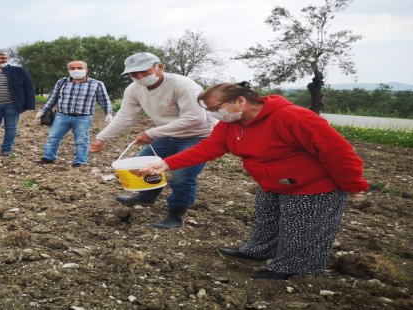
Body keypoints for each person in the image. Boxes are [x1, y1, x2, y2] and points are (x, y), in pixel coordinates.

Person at [136, 81, 369, 280]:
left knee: (302, 229)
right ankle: (258, 250)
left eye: (216, 108)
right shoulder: (231, 125)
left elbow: (338, 152)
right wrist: (166, 163)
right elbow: (208, 148)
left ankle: (293, 267)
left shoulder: (293, 117)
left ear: (240, 101)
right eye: (210, 110)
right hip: (272, 182)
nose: (214, 114)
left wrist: (353, 185)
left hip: (313, 187)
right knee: (267, 219)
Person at [89, 52, 216, 229]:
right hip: (168, 134)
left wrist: (153, 133)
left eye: (144, 71)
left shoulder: (183, 85)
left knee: (182, 177)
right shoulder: (134, 89)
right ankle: (146, 196)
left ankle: (175, 215)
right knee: (144, 164)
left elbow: (195, 118)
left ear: (159, 67)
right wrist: (102, 138)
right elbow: (125, 116)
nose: (139, 77)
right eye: (134, 74)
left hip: (198, 135)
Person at [35, 60, 114, 167]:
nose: (76, 70)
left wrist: (109, 113)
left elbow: (104, 100)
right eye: (72, 68)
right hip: (61, 115)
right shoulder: (61, 82)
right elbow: (52, 98)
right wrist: (43, 110)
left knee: (82, 141)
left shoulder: (97, 84)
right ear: (68, 70)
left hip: (83, 117)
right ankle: (48, 157)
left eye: (79, 68)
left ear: (86, 70)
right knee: (53, 137)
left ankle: (80, 161)